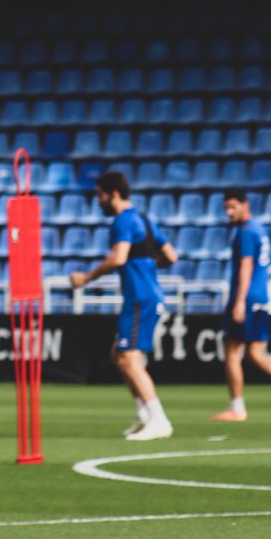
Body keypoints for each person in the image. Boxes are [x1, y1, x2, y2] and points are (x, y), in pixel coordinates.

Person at [70, 170, 179, 440]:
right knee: (118, 356)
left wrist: (86, 277)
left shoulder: (122, 221)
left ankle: (159, 420)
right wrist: (146, 264)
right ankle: (144, 414)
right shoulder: (146, 219)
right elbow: (171, 256)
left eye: (100, 195)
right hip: (147, 295)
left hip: (140, 298)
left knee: (129, 359)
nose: (98, 201)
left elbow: (118, 258)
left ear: (113, 194)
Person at [210, 188, 271, 421]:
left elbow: (246, 267)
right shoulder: (260, 229)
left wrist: (239, 301)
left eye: (233, 207)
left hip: (247, 296)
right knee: (255, 352)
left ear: (245, 204)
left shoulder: (246, 232)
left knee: (231, 351)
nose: (229, 213)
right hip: (261, 296)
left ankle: (237, 408)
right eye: (226, 208)